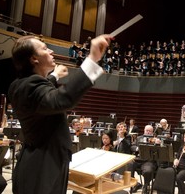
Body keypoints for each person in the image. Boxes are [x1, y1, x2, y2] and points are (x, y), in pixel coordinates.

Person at [8, 34, 112, 194]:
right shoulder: (30, 86)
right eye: (44, 48)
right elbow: (61, 99)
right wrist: (92, 59)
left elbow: (41, 97)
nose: (50, 51)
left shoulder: (20, 84)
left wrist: (54, 76)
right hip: (43, 166)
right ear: (34, 59)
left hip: (41, 160)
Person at [131, 124, 161, 193]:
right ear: (144, 131)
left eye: (150, 131)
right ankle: (135, 184)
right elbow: (132, 146)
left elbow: (159, 151)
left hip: (149, 161)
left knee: (148, 171)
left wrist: (158, 144)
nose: (148, 132)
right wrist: (137, 148)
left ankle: (146, 185)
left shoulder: (155, 140)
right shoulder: (139, 138)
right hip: (138, 160)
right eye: (147, 130)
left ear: (153, 132)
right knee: (129, 165)